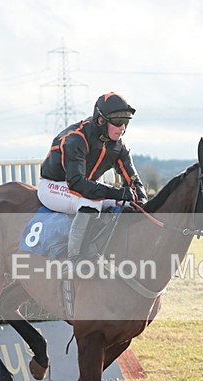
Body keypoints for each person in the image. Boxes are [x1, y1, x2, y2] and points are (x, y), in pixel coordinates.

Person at [38, 92, 147, 263]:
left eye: (126, 123)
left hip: (84, 186)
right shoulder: (76, 139)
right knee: (91, 202)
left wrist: (141, 200)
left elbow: (133, 181)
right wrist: (117, 192)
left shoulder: (119, 145)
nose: (123, 128)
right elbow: (77, 184)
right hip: (54, 186)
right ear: (101, 120)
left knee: (126, 203)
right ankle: (73, 259)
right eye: (118, 122)